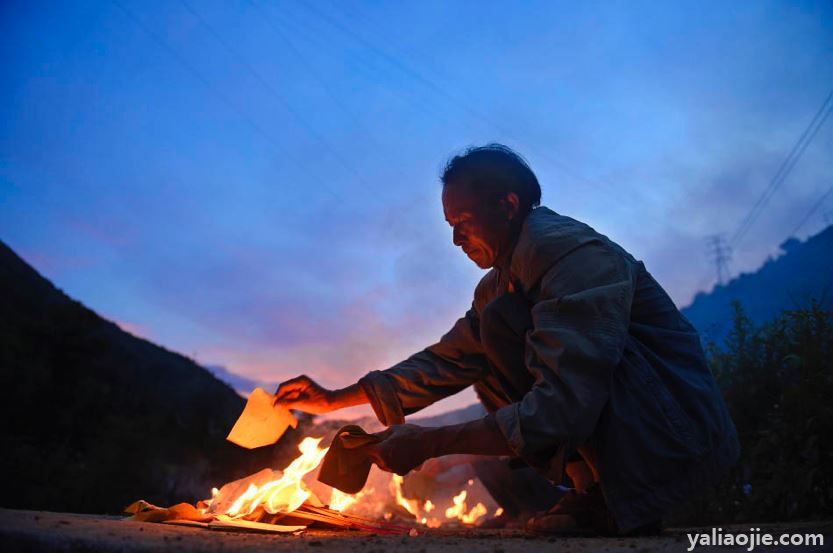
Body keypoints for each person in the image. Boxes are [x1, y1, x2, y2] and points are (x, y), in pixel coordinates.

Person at [274, 144, 739, 535]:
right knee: (494, 330)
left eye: (462, 222)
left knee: (513, 338)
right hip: (635, 437)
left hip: (676, 438)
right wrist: (333, 400)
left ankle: (617, 494)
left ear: (508, 205)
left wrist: (428, 442)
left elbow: (563, 403)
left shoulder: (572, 255)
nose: (456, 239)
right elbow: (446, 360)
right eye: (450, 227)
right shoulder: (499, 284)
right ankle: (597, 489)